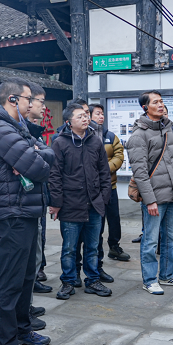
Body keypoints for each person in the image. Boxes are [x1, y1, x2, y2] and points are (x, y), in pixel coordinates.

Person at [0, 77, 53, 345]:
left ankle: (22, 329)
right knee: (11, 281)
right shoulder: (0, 129)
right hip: (13, 213)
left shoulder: (17, 127)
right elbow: (38, 167)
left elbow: (47, 154)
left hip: (26, 210)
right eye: (28, 98)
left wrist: (35, 154)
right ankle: (5, 342)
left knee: (26, 277)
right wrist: (35, 155)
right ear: (13, 99)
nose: (32, 103)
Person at [125, 90, 173, 295]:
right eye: (155, 102)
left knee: (171, 238)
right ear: (145, 108)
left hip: (172, 193)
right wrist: (150, 200)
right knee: (151, 240)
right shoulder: (139, 136)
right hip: (154, 197)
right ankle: (150, 280)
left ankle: (167, 275)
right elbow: (140, 172)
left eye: (161, 101)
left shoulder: (167, 128)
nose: (160, 105)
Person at [50, 104, 112, 300]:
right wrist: (56, 203)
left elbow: (104, 172)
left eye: (86, 115)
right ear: (69, 122)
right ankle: (68, 281)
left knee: (93, 247)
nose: (85, 119)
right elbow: (54, 176)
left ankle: (93, 280)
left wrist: (103, 198)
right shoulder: (60, 143)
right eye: (80, 116)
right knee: (69, 248)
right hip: (71, 204)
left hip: (94, 204)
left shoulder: (95, 141)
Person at [90, 104, 129, 265]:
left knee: (114, 218)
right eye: (97, 114)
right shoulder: (86, 135)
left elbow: (119, 155)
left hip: (110, 185)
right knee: (97, 221)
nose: (101, 117)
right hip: (94, 188)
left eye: (102, 114)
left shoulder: (111, 136)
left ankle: (114, 246)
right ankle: (96, 250)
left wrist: (105, 168)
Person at [25, 83, 52, 295]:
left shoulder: (34, 131)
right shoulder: (17, 131)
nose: (44, 107)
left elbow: (49, 156)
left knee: (38, 243)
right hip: (24, 202)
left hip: (38, 197)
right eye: (40, 102)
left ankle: (34, 280)